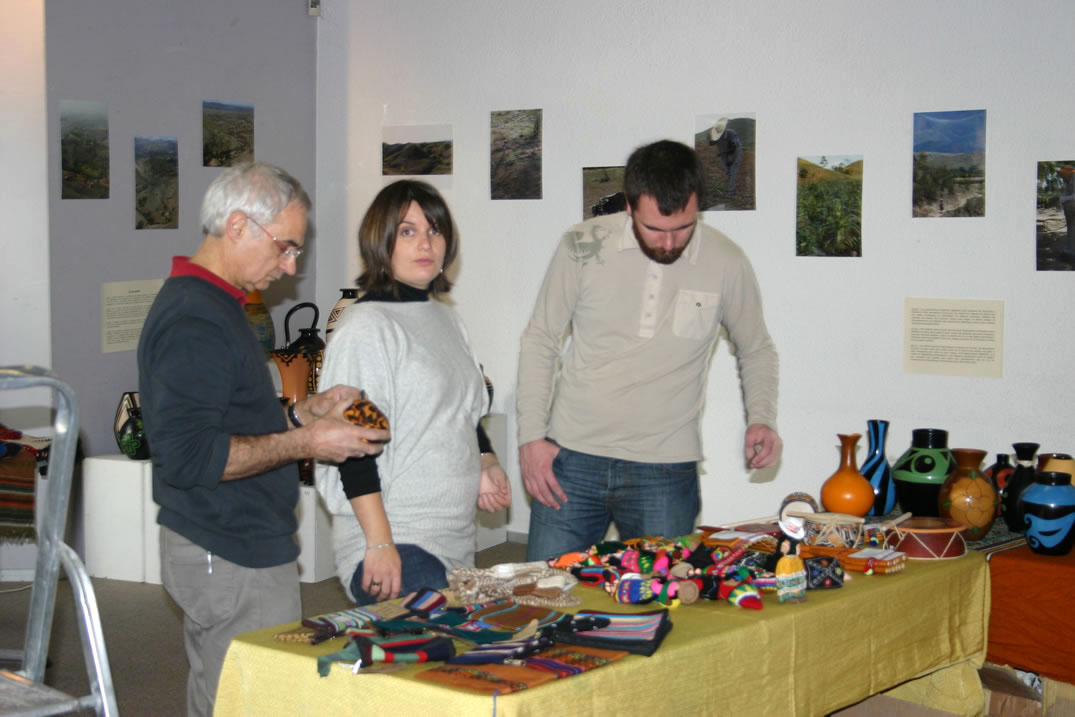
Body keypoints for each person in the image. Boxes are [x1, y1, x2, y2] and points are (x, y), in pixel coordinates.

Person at [137, 161, 389, 717]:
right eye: (285, 247)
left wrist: (302, 413)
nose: (290, 265)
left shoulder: (216, 306)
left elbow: (226, 420)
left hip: (237, 546)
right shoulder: (195, 321)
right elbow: (193, 456)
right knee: (247, 700)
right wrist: (310, 443)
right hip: (228, 549)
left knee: (232, 692)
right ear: (237, 226)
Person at [517, 139, 781, 561]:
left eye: (683, 228)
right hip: (571, 460)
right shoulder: (580, 246)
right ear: (628, 206)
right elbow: (540, 338)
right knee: (548, 598)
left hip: (665, 469)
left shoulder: (727, 261)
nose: (669, 243)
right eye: (655, 229)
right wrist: (531, 438)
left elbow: (757, 349)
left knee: (661, 605)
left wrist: (762, 418)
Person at [316, 179, 511, 606]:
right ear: (381, 241)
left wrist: (486, 460)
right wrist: (380, 545)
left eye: (434, 230)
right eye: (407, 231)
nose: (425, 242)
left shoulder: (445, 318)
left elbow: (460, 412)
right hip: (396, 541)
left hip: (451, 540)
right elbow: (352, 446)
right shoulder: (366, 328)